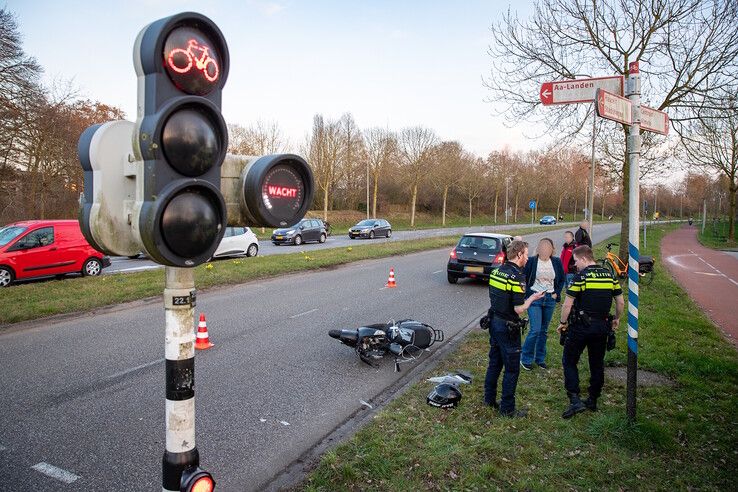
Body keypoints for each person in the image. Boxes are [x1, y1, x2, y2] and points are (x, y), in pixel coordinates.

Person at [556, 245, 625, 419]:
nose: (575, 265)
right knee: (596, 363)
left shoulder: (581, 277)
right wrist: (616, 319)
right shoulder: (609, 276)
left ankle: (575, 399)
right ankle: (593, 399)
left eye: (576, 261)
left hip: (580, 327)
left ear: (585, 259)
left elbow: (567, 303)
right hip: (602, 327)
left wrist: (562, 323)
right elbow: (620, 302)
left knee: (570, 360)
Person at [484, 240, 545, 418]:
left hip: (494, 322)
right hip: (508, 327)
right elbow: (519, 308)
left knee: (494, 363)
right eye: (526, 254)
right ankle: (507, 408)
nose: (527, 258)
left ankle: (489, 399)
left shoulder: (496, 271)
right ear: (518, 254)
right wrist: (533, 298)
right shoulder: (517, 276)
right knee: (512, 369)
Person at [521, 238, 565, 370]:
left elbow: (561, 279)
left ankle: (540, 359)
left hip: (550, 299)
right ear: (538, 249)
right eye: (542, 247)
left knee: (544, 331)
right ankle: (526, 358)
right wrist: (528, 294)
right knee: (535, 330)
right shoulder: (532, 261)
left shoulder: (556, 262)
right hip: (535, 298)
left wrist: (556, 292)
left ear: (552, 249)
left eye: (548, 247)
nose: (545, 249)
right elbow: (523, 277)